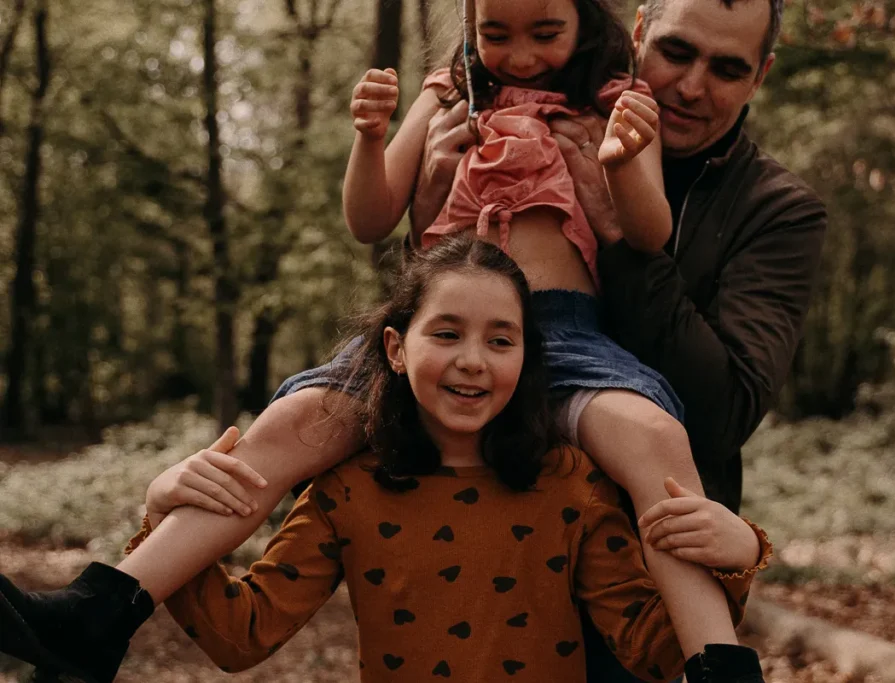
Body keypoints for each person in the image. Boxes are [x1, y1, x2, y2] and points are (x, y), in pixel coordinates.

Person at [0, 1, 775, 681]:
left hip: (563, 332)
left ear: (587, 24)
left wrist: (624, 161)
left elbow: (648, 232)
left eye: (547, 32)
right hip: (442, 328)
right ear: (468, 26)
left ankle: (720, 663)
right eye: (495, 32)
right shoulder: (445, 96)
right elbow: (370, 218)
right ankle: (104, 606)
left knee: (654, 435)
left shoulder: (608, 100)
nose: (524, 54)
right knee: (283, 432)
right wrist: (370, 138)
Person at [1, 238, 772, 683]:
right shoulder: (347, 490)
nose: (473, 361)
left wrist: (738, 560)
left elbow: (650, 648)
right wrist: (161, 511)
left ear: (530, 359)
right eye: (447, 333)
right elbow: (244, 634)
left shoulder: (569, 485)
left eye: (501, 340)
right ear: (397, 349)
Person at [411, 0, 828, 677]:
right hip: (483, 539)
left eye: (727, 68)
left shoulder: (776, 210)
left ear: (760, 76)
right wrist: (429, 202)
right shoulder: (535, 119)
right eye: (676, 53)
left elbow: (723, 410)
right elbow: (434, 335)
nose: (692, 86)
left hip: (638, 585)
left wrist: (621, 238)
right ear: (637, 36)